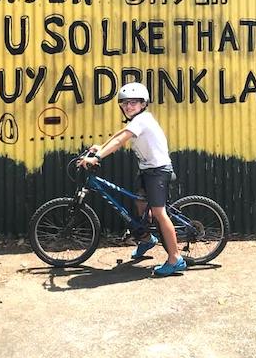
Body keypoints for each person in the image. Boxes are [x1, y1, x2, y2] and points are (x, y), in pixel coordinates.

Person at [78, 82, 186, 277]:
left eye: (134, 102)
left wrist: (98, 157)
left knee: (160, 213)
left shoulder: (143, 120)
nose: (129, 106)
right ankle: (147, 240)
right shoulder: (136, 121)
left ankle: (175, 258)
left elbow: (121, 140)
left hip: (158, 171)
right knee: (140, 203)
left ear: (143, 104)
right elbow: (119, 135)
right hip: (146, 170)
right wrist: (99, 147)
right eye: (125, 103)